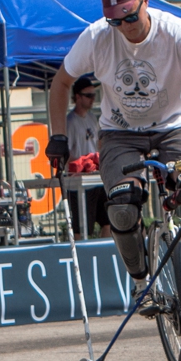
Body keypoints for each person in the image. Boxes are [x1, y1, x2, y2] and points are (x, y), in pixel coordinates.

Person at [46, 0, 181, 314]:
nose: (126, 26)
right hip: (120, 131)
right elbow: (61, 83)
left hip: (174, 125)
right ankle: (141, 282)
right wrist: (58, 136)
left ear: (145, 1)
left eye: (132, 16)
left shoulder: (174, 30)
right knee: (121, 207)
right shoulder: (97, 37)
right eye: (116, 21)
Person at [66, 76, 111, 239]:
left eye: (94, 95)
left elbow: (99, 143)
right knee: (81, 228)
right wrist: (82, 163)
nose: (93, 99)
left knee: (108, 221)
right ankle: (82, 259)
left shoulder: (93, 118)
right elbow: (67, 154)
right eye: (88, 96)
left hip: (96, 180)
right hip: (79, 183)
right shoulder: (70, 122)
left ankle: (102, 254)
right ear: (78, 97)